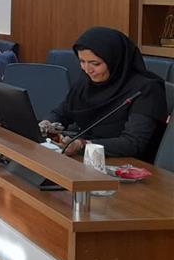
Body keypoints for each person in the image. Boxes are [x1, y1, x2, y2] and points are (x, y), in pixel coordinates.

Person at [42, 27, 167, 161]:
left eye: (95, 63)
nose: (87, 69)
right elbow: (62, 112)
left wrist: (82, 145)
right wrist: (47, 124)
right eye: (82, 62)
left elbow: (133, 143)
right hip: (86, 157)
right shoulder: (87, 80)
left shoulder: (146, 89)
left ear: (115, 60)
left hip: (127, 162)